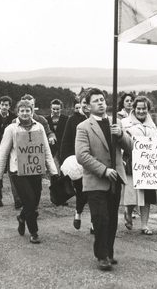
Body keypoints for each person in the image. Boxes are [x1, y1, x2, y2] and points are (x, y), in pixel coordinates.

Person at [75, 88, 133, 271]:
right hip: (95, 181)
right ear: (88, 106)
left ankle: (108, 251)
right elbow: (81, 156)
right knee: (101, 219)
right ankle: (102, 256)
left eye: (102, 100)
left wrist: (121, 135)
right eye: (96, 101)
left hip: (115, 180)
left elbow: (131, 147)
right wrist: (103, 170)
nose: (101, 103)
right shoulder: (83, 127)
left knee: (112, 219)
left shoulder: (115, 123)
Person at [0, 100, 59, 244]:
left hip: (35, 170)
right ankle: (34, 232)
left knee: (34, 202)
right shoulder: (11, 129)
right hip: (18, 172)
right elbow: (3, 153)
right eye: (22, 110)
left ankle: (22, 218)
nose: (25, 113)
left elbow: (46, 151)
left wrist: (54, 172)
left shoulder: (39, 127)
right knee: (28, 200)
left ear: (32, 111)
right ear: (17, 112)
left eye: (28, 110)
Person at [120, 96, 157, 235]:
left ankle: (144, 225)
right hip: (131, 163)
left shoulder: (152, 125)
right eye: (139, 108)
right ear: (134, 108)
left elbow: (156, 142)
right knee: (132, 194)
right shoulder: (125, 123)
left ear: (148, 109)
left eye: (144, 108)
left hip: (148, 165)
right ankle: (128, 212)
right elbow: (121, 143)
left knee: (147, 196)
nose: (141, 111)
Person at [60, 90, 92, 232]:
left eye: (87, 102)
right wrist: (65, 161)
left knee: (95, 193)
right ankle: (78, 212)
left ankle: (94, 222)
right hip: (78, 162)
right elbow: (66, 142)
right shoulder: (72, 120)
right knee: (82, 191)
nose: (85, 106)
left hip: (95, 162)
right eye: (83, 103)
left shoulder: (98, 119)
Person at [45, 98, 68, 170]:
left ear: (61, 109)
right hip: (50, 149)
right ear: (50, 108)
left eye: (57, 109)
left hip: (62, 149)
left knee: (63, 169)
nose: (55, 111)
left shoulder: (66, 119)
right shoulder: (45, 120)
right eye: (53, 109)